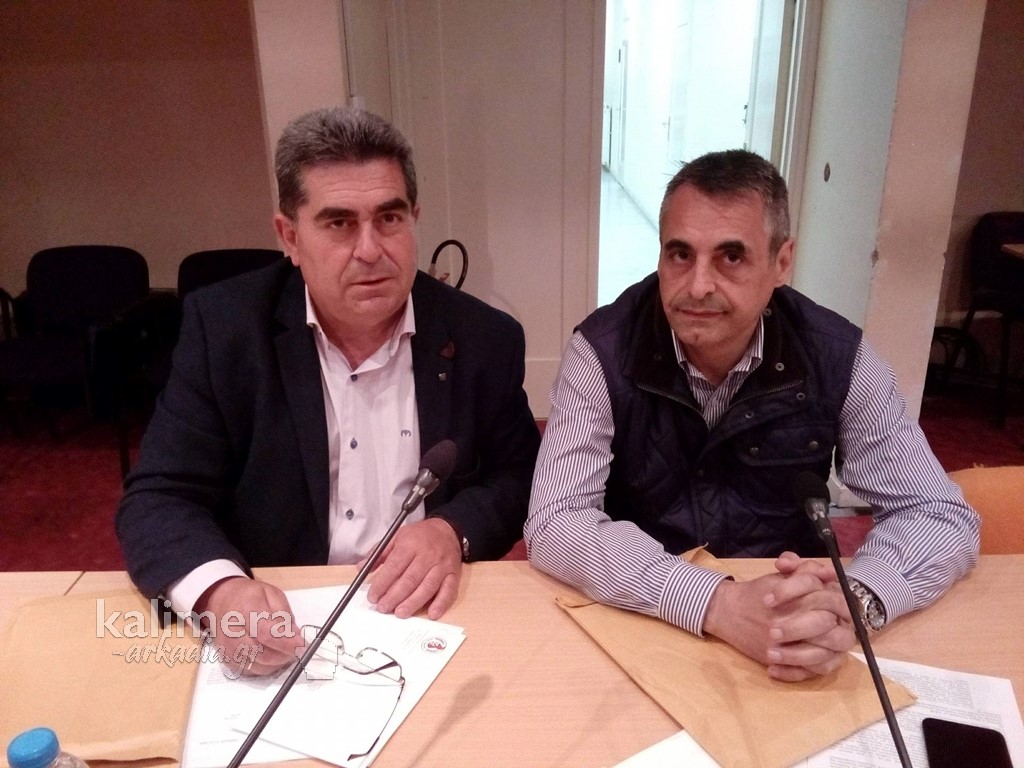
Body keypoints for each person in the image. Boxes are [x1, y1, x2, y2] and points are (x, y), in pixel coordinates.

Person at [525, 149, 979, 682]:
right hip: (646, 616)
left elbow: (938, 513)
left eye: (731, 257)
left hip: (794, 629)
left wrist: (850, 606)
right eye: (680, 254)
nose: (697, 286)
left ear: (782, 263)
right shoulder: (602, 351)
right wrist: (715, 602)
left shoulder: (838, 356)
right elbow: (555, 521)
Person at [117, 106, 540, 675]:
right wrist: (220, 592)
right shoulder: (226, 330)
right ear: (290, 237)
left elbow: (519, 476)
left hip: (431, 618)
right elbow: (159, 497)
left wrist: (453, 529)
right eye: (339, 223)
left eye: (389, 218)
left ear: (414, 219)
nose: (370, 250)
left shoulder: (484, 337)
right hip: (283, 618)